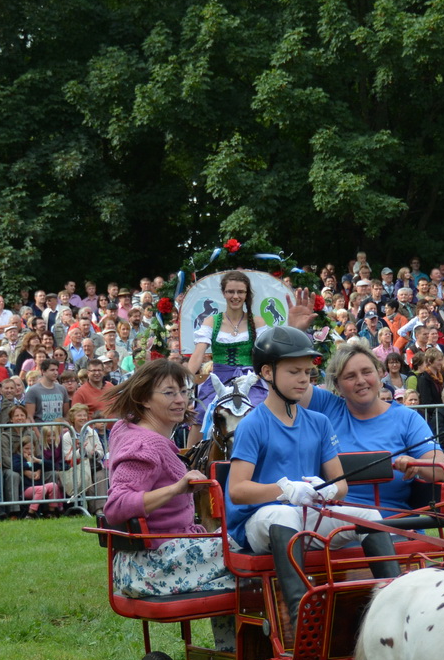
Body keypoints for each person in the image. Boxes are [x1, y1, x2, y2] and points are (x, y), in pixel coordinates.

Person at [223, 327, 400, 638]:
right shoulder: (253, 424)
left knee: (371, 517)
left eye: (307, 372)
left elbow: (340, 484)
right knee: (284, 513)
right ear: (267, 372)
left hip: (306, 518)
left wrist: (329, 489)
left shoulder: (319, 422)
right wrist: (284, 490)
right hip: (259, 524)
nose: (304, 379)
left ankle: (397, 606)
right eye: (294, 371)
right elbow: (237, 491)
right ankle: (301, 618)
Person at [102, 361, 236, 624]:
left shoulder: (128, 428)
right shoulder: (144, 444)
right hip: (151, 565)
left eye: (184, 392)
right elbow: (116, 507)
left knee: (244, 556)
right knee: (253, 555)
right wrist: (176, 488)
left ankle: (230, 658)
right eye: (169, 393)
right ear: (144, 399)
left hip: (157, 555)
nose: (180, 400)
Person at [304, 342, 443, 511]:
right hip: (336, 524)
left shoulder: (407, 418)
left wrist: (417, 464)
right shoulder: (328, 406)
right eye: (350, 376)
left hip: (394, 525)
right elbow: (288, 381)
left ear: (379, 375)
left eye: (366, 372)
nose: (361, 381)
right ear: (338, 385)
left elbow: (443, 469)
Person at [189, 270, 266, 427]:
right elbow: (198, 355)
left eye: (240, 292)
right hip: (219, 380)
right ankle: (192, 451)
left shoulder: (257, 322)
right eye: (231, 291)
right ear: (223, 293)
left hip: (250, 380)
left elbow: (267, 356)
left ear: (246, 294)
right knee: (203, 413)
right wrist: (183, 381)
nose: (235, 296)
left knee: (259, 410)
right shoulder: (212, 321)